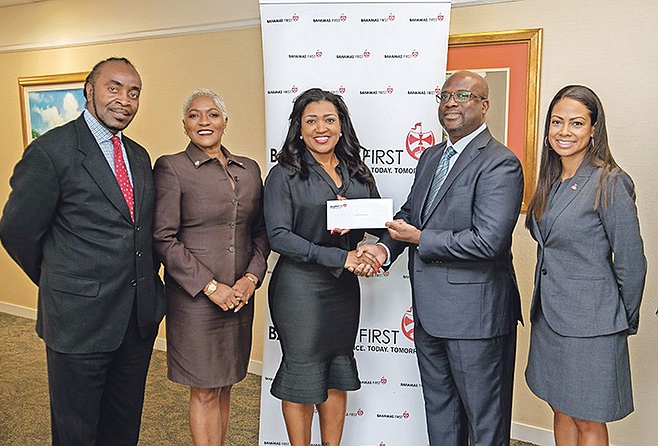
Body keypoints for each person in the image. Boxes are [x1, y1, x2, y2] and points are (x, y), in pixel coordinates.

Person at [0, 57, 165, 445]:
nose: (124, 99)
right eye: (114, 87)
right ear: (88, 90)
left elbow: (140, 231)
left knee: (123, 428)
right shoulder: (51, 151)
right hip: (78, 322)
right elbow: (16, 231)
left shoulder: (138, 155)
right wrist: (60, 280)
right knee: (76, 431)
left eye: (134, 92)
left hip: (136, 321)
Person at [360, 70, 524, 445]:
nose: (451, 102)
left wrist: (420, 238)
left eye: (463, 96)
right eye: (445, 95)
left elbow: (488, 242)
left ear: (484, 106)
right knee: (441, 413)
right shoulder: (432, 156)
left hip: (476, 319)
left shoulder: (500, 162)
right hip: (430, 315)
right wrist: (383, 248)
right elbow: (411, 215)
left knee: (485, 422)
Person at [524, 85, 646, 445]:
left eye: (576, 123)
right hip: (550, 316)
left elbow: (632, 262)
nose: (565, 131)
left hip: (591, 324)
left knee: (587, 418)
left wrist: (617, 319)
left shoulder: (609, 182)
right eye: (557, 122)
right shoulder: (551, 180)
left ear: (594, 129)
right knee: (560, 408)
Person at [264, 88, 383, 446]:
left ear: (341, 125)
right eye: (311, 120)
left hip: (342, 292)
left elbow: (381, 224)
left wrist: (380, 252)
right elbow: (279, 237)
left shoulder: (357, 173)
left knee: (336, 372)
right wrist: (342, 257)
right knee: (303, 379)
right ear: (298, 129)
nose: (321, 127)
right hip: (299, 290)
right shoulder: (283, 174)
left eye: (329, 119)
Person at [152, 88, 269, 446]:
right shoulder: (171, 167)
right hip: (196, 301)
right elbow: (164, 237)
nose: (204, 121)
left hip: (239, 297)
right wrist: (211, 287)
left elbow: (261, 232)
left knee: (225, 383)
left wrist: (251, 278)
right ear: (184, 125)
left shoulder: (248, 169)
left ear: (225, 122)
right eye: (195, 115)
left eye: (213, 114)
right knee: (203, 389)